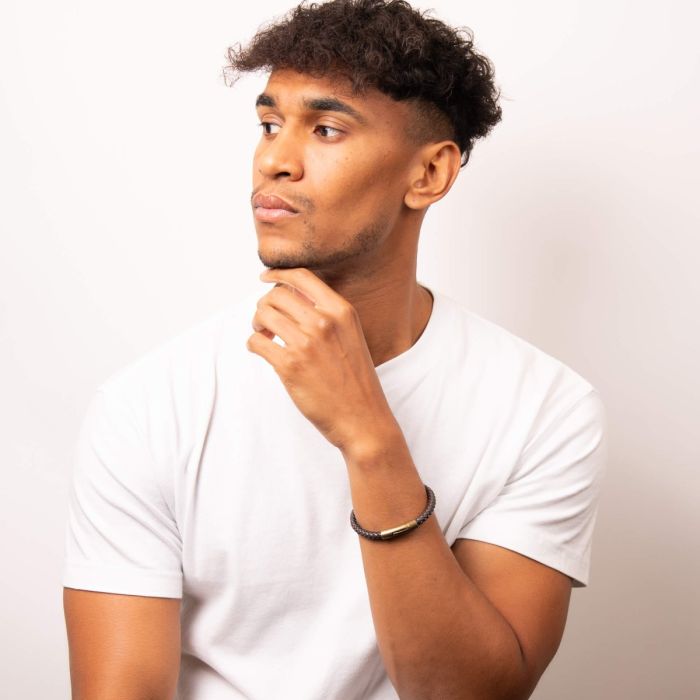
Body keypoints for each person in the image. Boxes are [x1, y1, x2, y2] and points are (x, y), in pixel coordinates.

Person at [62, 0, 608, 698]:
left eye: (325, 129)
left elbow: (474, 693)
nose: (273, 161)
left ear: (429, 175)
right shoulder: (148, 405)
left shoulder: (547, 410)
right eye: (269, 125)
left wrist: (368, 435)